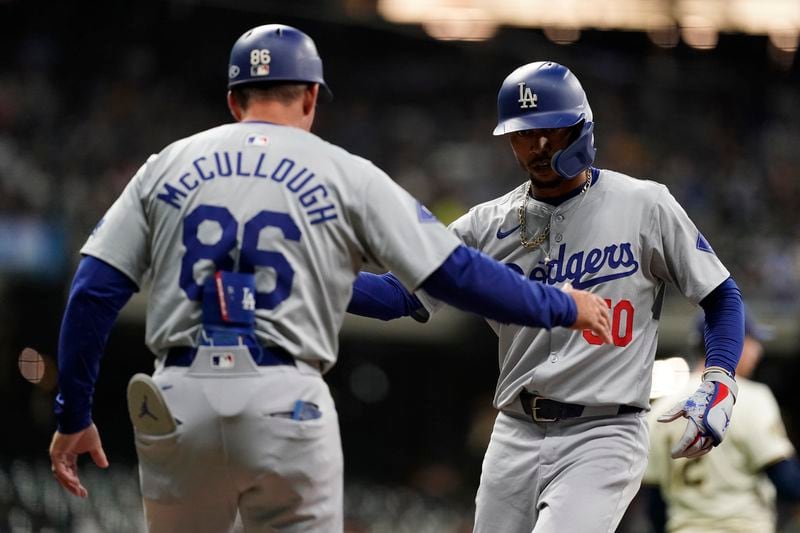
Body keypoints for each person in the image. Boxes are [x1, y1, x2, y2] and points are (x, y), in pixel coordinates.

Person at [46, 27, 613, 532]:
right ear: (312, 96)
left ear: (233, 101)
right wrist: (558, 305)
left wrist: (73, 414)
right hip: (285, 402)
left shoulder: (164, 165)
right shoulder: (345, 172)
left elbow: (93, 290)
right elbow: (454, 273)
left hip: (177, 400)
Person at [346, 61, 746, 533]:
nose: (537, 147)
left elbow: (721, 295)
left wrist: (720, 376)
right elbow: (399, 296)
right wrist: (313, 278)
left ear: (581, 126)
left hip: (605, 430)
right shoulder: (486, 224)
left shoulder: (645, 204)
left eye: (550, 130)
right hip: (515, 430)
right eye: (521, 134)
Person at [643, 310, 800, 533]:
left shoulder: (662, 408)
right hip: (743, 526)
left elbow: (655, 503)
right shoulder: (753, 397)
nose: (758, 350)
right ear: (734, 341)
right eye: (753, 342)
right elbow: (786, 481)